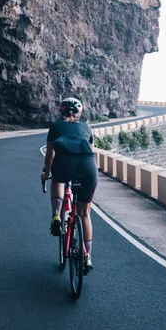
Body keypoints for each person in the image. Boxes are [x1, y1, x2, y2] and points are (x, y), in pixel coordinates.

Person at [41, 97, 98, 273]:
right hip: (89, 168)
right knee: (85, 214)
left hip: (65, 164)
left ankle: (57, 216)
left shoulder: (56, 126)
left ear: (62, 111)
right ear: (80, 113)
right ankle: (87, 256)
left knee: (58, 179)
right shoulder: (87, 127)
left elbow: (50, 155)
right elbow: (91, 151)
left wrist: (46, 172)